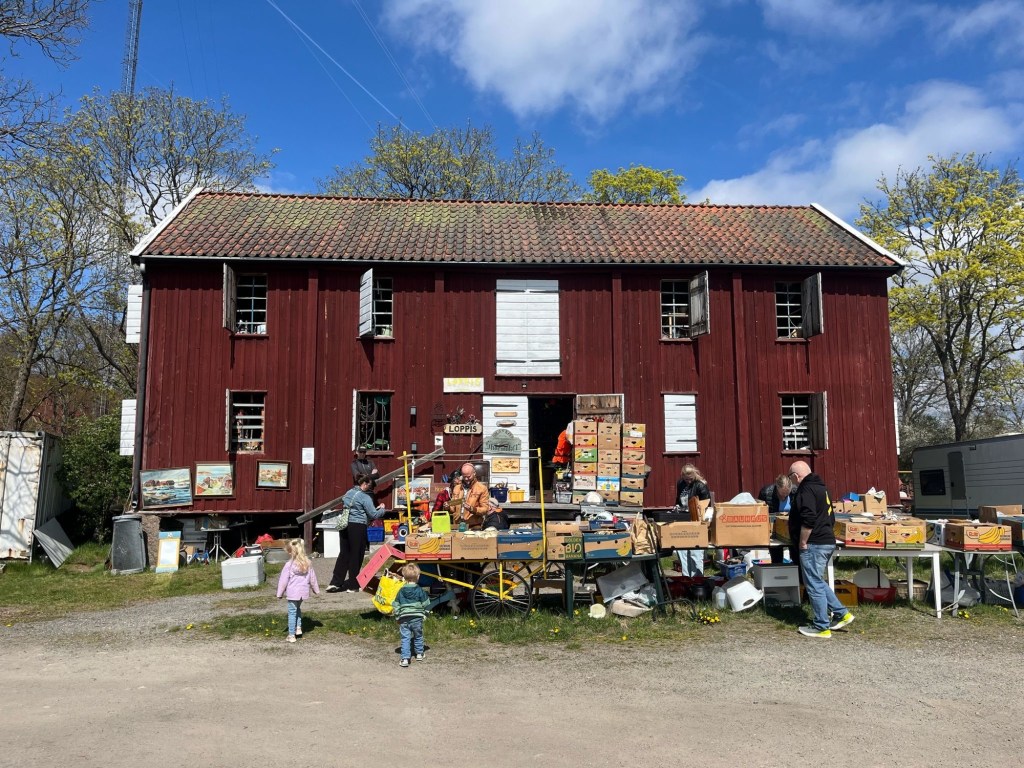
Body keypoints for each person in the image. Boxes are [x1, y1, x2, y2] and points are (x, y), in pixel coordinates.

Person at [788, 460, 855, 638]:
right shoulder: (821, 487)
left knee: (813, 584)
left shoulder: (806, 489)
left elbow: (808, 518)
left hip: (813, 543)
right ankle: (841, 613)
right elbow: (830, 517)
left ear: (796, 476)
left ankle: (821, 626)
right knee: (817, 580)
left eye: (790, 477)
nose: (791, 481)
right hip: (826, 540)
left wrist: (803, 541)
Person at [326, 473, 386, 593]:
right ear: (364, 484)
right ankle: (353, 585)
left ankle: (335, 583)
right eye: (369, 486)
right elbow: (373, 514)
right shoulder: (364, 497)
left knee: (344, 554)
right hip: (357, 527)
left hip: (345, 525)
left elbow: (354, 508)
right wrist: (382, 509)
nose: (370, 489)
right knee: (356, 555)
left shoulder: (348, 493)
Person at [276, 538, 320, 643]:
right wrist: (316, 590)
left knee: (292, 612)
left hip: (293, 593)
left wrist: (279, 593)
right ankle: (298, 628)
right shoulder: (307, 563)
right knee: (298, 609)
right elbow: (312, 578)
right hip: (303, 593)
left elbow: (283, 580)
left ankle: (291, 635)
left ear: (292, 552)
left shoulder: (289, 565)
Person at [675, 464, 711, 576]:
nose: (688, 481)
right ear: (682, 476)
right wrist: (677, 506)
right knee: (682, 550)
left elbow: (707, 505)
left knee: (696, 551)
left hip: (696, 521)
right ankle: (686, 577)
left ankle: (697, 578)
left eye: (690, 478)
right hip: (683, 518)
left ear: (694, 475)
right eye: (686, 479)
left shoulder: (700, 485)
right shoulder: (680, 483)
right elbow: (678, 499)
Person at [392, 563, 431, 667]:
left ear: (404, 577)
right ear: (418, 577)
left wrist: (397, 616)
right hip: (417, 618)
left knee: (405, 638)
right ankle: (419, 654)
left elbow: (396, 605)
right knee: (418, 636)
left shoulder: (401, 591)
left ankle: (405, 659)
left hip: (404, 618)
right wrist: (425, 613)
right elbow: (426, 603)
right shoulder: (419, 590)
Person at [451, 463, 489, 530]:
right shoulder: (457, 488)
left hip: (473, 526)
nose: (466, 479)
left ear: (474, 473)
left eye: (468, 476)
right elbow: (453, 508)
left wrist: (472, 509)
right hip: (458, 525)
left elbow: (485, 509)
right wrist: (448, 505)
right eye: (464, 476)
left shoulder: (482, 488)